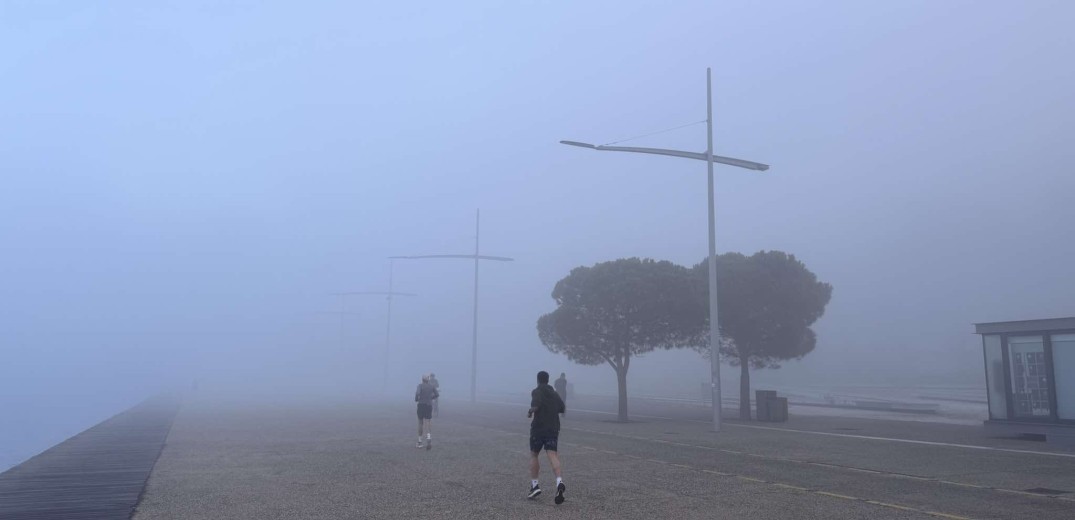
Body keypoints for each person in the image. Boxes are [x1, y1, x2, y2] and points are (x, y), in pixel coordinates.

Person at [527, 370, 566, 504]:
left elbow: (536, 405)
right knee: (552, 454)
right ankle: (559, 482)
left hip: (539, 428)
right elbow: (562, 408)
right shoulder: (554, 393)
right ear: (548, 380)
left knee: (534, 454)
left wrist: (530, 411)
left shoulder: (537, 391)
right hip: (553, 428)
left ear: (538, 380)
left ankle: (535, 485)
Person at [415, 374, 439, 450]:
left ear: (422, 379)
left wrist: (416, 399)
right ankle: (428, 438)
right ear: (428, 380)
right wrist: (431, 398)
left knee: (420, 422)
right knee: (428, 422)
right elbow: (437, 394)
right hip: (429, 405)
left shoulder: (420, 386)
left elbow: (417, 393)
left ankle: (420, 442)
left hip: (421, 405)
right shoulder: (432, 386)